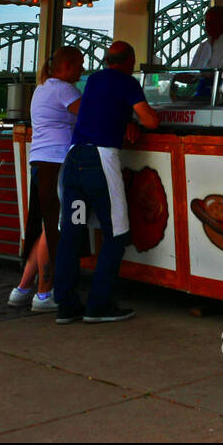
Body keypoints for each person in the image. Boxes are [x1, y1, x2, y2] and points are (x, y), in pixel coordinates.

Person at [53, 40, 162, 324]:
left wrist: (126, 119)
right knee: (116, 232)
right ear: (130, 61)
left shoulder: (94, 81)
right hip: (100, 161)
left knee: (72, 232)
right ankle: (99, 304)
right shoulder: (126, 82)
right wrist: (137, 120)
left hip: (75, 159)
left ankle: (65, 303)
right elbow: (151, 121)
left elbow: (103, 110)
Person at [9, 45, 83, 312]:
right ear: (66, 66)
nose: (83, 70)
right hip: (58, 162)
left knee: (45, 227)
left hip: (40, 162)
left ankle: (22, 289)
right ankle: (43, 295)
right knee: (56, 228)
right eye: (79, 64)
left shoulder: (42, 88)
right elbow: (89, 116)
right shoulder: (65, 89)